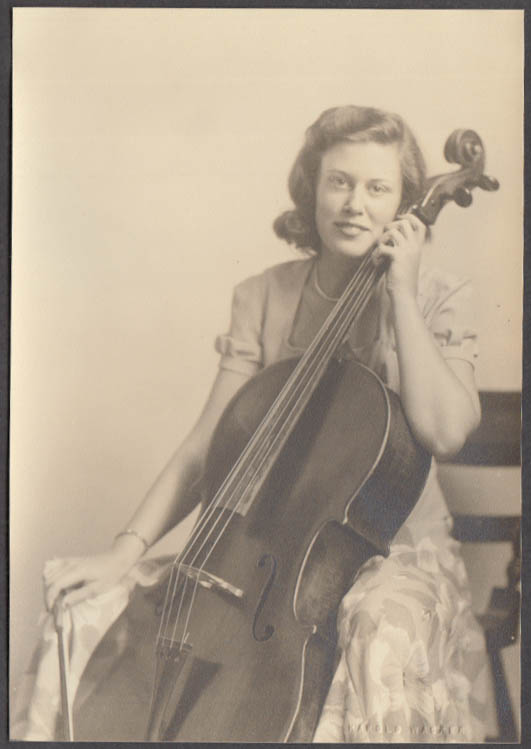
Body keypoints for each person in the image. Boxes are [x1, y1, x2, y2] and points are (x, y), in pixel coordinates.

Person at [13, 105, 489, 742]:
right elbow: (205, 446)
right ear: (310, 189)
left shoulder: (435, 294)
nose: (354, 204)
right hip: (266, 550)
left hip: (393, 552)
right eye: (338, 182)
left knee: (378, 625)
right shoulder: (262, 296)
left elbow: (446, 433)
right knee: (88, 609)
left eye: (377, 188)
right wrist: (125, 552)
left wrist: (401, 291)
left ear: (406, 202)